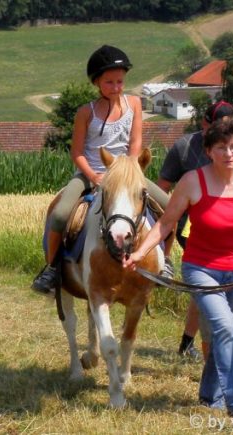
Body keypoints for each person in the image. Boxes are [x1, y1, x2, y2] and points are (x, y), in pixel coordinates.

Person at [124, 119, 233, 419]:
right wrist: (139, 253)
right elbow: (166, 224)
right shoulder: (192, 182)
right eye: (221, 147)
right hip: (202, 269)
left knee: (226, 333)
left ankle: (210, 396)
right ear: (208, 151)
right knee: (226, 329)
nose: (229, 153)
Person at [32, 45, 170, 294]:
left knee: (170, 208)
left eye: (120, 81)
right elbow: (77, 153)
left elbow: (135, 143)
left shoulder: (134, 104)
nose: (116, 87)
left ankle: (166, 262)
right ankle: (51, 268)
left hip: (127, 174)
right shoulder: (86, 112)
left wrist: (128, 172)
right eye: (109, 82)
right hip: (91, 174)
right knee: (61, 215)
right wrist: (93, 176)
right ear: (96, 82)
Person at [156, 101, 233, 361]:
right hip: (193, 224)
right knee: (208, 281)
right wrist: (164, 226)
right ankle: (210, 346)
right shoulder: (184, 147)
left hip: (230, 224)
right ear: (204, 124)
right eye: (218, 127)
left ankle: (192, 342)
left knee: (208, 290)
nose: (227, 142)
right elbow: (162, 186)